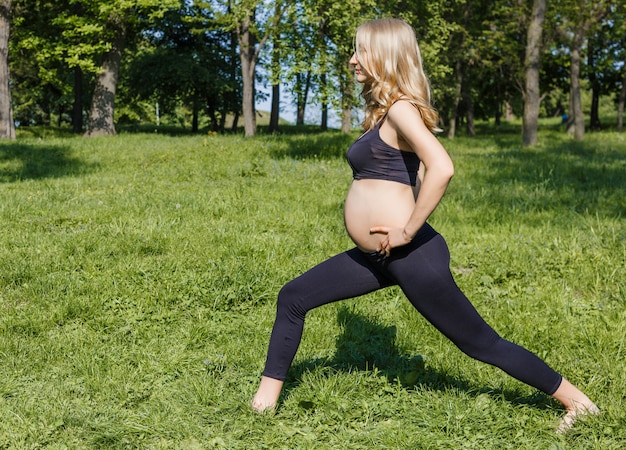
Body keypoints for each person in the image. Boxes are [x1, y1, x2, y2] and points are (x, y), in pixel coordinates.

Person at [251, 18, 598, 433]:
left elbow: (442, 167)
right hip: (378, 255)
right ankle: (262, 407)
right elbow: (412, 173)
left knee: (480, 343)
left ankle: (578, 403)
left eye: (361, 51)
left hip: (411, 255)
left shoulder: (399, 108)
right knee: (294, 296)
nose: (352, 59)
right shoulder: (385, 112)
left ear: (385, 55)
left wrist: (407, 230)